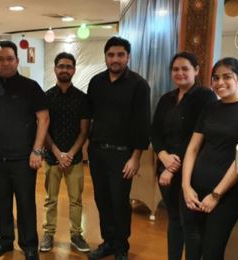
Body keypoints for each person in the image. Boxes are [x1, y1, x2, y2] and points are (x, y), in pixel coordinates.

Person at [181, 57, 238, 259]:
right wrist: (185, 186)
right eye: (215, 78)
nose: (220, 82)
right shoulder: (210, 108)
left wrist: (216, 195)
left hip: (225, 195)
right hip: (194, 189)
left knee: (212, 251)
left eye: (227, 77)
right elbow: (192, 148)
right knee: (192, 249)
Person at [0, 40, 49, 260]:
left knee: (25, 203)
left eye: (10, 58)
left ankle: (29, 244)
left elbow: (43, 119)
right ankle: (5, 240)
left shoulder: (31, 87)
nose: (5, 63)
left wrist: (37, 151)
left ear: (17, 61)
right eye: (0, 59)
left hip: (23, 158)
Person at [87, 36, 151, 260]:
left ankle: (121, 246)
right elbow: (89, 117)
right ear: (105, 57)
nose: (115, 59)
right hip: (97, 152)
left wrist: (135, 158)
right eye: (111, 55)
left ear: (128, 57)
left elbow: (142, 124)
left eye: (120, 55)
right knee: (101, 199)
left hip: (123, 155)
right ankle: (108, 242)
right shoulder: (96, 82)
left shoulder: (139, 85)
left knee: (119, 201)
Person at [151, 52, 217, 260]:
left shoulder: (205, 96)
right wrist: (162, 156)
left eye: (185, 69)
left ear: (196, 71)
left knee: (191, 224)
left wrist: (172, 168)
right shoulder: (166, 99)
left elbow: (197, 138)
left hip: (192, 171)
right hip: (165, 167)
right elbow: (155, 132)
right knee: (174, 219)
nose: (179, 73)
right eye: (175, 69)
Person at [39, 52, 91, 253]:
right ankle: (48, 234)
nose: (65, 70)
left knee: (76, 200)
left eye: (69, 66)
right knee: (50, 199)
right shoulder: (46, 97)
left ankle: (76, 234)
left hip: (75, 158)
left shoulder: (82, 98)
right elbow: (44, 129)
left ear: (74, 70)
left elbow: (84, 131)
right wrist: (57, 152)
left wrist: (69, 154)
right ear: (55, 69)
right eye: (61, 66)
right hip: (52, 157)